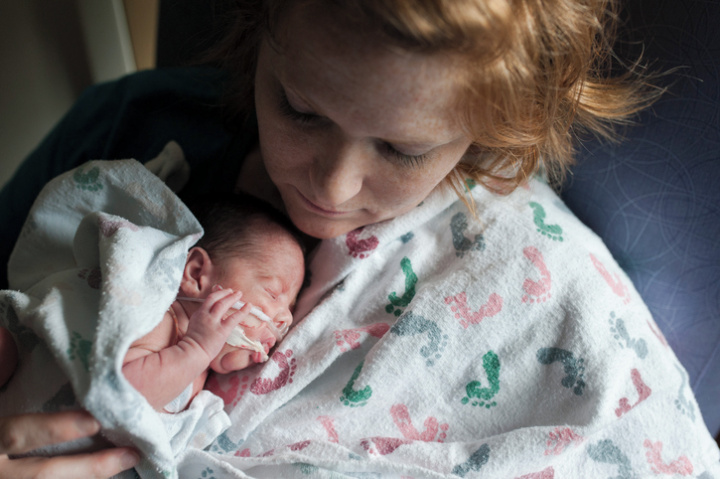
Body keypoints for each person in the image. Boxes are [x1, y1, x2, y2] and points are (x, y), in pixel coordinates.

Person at [1, 0, 718, 477]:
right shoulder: (123, 136)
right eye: (300, 109)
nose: (334, 187)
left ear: (495, 122)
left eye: (403, 150)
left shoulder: (532, 266)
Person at [122, 194, 306, 412]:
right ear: (197, 273)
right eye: (273, 293)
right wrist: (197, 348)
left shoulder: (203, 365)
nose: (287, 318)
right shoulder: (163, 323)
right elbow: (121, 398)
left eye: (290, 308)